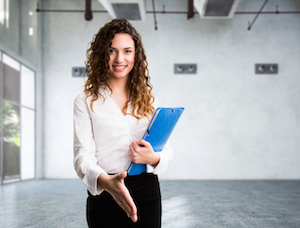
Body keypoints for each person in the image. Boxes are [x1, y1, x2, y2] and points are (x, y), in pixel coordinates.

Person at [73, 19, 173, 228]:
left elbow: (167, 151)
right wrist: (105, 181)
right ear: (102, 54)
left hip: (146, 190)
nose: (120, 58)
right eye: (112, 50)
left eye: (127, 51)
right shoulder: (85, 100)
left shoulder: (149, 100)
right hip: (104, 190)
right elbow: (82, 155)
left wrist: (154, 157)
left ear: (136, 55)